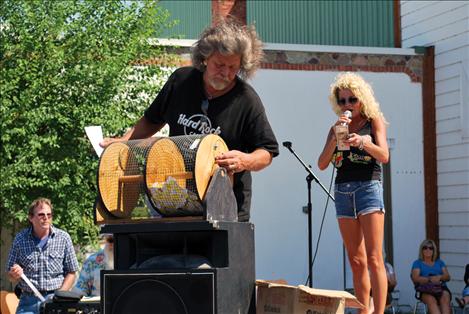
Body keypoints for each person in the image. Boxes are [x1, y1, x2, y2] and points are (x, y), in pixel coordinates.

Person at [100, 19, 279, 222]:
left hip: (227, 211)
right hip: (176, 203)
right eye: (219, 65)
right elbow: (151, 120)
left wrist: (244, 160)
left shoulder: (247, 100)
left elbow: (267, 151)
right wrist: (122, 143)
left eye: (233, 67)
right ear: (204, 58)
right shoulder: (180, 81)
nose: (226, 73)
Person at [317, 72, 389, 314]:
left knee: (374, 258)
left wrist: (364, 142)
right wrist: (335, 138)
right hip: (343, 190)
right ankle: (363, 311)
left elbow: (384, 156)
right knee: (356, 261)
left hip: (368, 187)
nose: (347, 105)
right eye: (342, 101)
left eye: (352, 100)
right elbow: (322, 163)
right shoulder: (337, 126)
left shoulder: (373, 120)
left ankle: (378, 311)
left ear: (362, 99)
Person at [6, 197, 79, 314]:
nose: (46, 218)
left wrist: (59, 296)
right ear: (31, 217)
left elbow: (72, 272)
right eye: (41, 215)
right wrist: (14, 273)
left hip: (55, 301)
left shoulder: (63, 238)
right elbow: (10, 274)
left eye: (49, 215)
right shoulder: (20, 239)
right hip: (28, 302)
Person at [411, 239, 452, 314]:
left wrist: (439, 277)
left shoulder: (439, 262)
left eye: (431, 248)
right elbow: (415, 278)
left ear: (434, 250)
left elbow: (447, 277)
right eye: (425, 247)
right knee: (431, 300)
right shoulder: (417, 263)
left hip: (441, 288)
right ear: (421, 250)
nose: (428, 250)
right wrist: (429, 279)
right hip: (425, 289)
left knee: (445, 299)